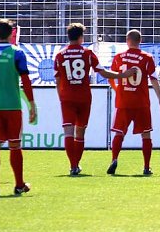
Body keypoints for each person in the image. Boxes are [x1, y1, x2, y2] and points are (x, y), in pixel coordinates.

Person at [54, 23, 134, 175]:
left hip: (67, 98)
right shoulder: (88, 53)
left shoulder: (60, 55)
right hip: (84, 97)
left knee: (68, 132)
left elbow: (57, 80)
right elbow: (102, 72)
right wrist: (121, 75)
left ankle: (73, 166)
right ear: (80, 37)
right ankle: (75, 164)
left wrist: (61, 97)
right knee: (80, 133)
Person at [0, 19, 36, 196]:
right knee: (15, 145)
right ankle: (19, 184)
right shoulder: (17, 53)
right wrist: (32, 104)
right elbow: (26, 80)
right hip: (11, 105)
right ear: (11, 33)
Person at [107, 29, 160, 176]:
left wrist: (117, 89)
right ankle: (146, 167)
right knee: (146, 135)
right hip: (141, 102)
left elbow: (110, 77)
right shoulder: (147, 57)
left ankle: (114, 159)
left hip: (123, 101)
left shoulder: (119, 57)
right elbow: (153, 79)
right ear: (140, 41)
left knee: (119, 133)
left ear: (127, 41)